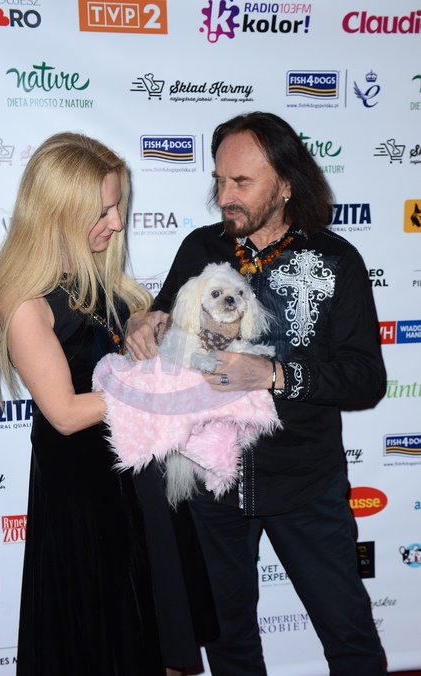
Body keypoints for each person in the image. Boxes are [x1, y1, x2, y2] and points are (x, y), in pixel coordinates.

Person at [126, 112, 388, 675]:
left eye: (241, 182)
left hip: (305, 484)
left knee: (351, 638)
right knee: (229, 644)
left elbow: (365, 377)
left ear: (286, 183)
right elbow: (165, 320)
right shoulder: (200, 247)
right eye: (219, 180)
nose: (225, 196)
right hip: (211, 487)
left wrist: (272, 375)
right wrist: (144, 323)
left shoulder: (337, 260)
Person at [0, 132, 216, 676]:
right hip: (88, 499)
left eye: (117, 206)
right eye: (103, 211)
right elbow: (65, 414)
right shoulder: (25, 303)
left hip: (140, 480)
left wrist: (152, 331)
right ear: (59, 213)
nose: (116, 222)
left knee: (164, 641)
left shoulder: (102, 283)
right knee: (108, 644)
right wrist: (153, 389)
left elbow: (129, 354)